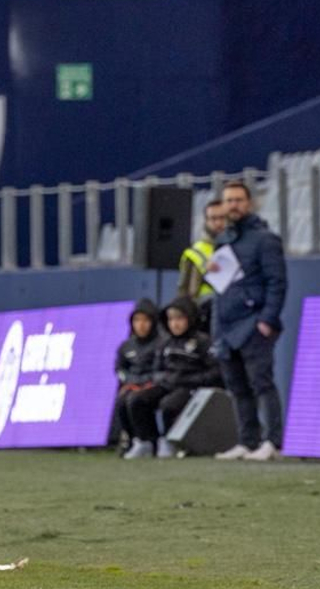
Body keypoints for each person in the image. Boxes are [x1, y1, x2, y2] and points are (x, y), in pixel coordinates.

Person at [210, 180, 288, 461]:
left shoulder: (265, 239)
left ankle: (272, 441)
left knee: (262, 383)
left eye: (238, 200)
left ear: (249, 203)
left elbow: (277, 282)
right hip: (228, 326)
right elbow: (220, 288)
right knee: (237, 386)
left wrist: (267, 319)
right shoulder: (223, 240)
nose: (233, 205)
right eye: (228, 200)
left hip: (254, 323)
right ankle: (247, 440)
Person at [123, 296, 223, 459]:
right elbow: (157, 369)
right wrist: (162, 378)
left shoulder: (202, 342)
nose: (175, 324)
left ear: (189, 318)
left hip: (190, 386)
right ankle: (147, 442)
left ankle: (169, 441)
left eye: (179, 318)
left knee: (168, 405)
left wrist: (191, 379)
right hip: (167, 385)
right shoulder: (166, 343)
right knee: (136, 400)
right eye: (170, 319)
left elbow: (215, 373)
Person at [112, 298, 163, 447]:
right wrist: (130, 381)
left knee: (136, 400)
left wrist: (144, 383)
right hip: (132, 385)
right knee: (121, 401)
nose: (141, 325)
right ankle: (134, 440)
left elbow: (161, 370)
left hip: (154, 386)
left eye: (146, 320)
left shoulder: (161, 343)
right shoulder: (126, 346)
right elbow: (119, 369)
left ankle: (149, 440)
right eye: (137, 320)